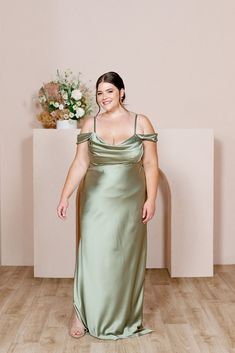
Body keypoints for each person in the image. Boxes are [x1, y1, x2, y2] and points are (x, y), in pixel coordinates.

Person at [57, 71, 159, 340]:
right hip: (95, 199)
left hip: (130, 200)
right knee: (92, 255)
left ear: (122, 92)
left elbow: (150, 163)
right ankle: (79, 312)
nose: (104, 97)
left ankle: (122, 315)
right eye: (99, 93)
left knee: (125, 259)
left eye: (109, 91)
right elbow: (80, 163)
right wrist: (65, 195)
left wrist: (152, 198)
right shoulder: (90, 124)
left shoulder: (141, 122)